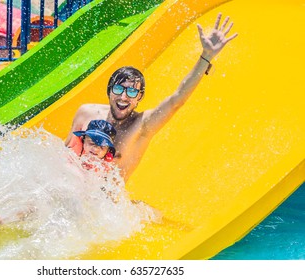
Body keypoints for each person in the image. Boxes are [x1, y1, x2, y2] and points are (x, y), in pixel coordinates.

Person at [65, 13, 238, 181]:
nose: (124, 97)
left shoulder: (142, 126)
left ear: (139, 98)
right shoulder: (85, 112)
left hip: (103, 202)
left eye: (132, 92)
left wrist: (206, 57)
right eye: (118, 89)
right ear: (109, 91)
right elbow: (66, 151)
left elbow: (177, 100)